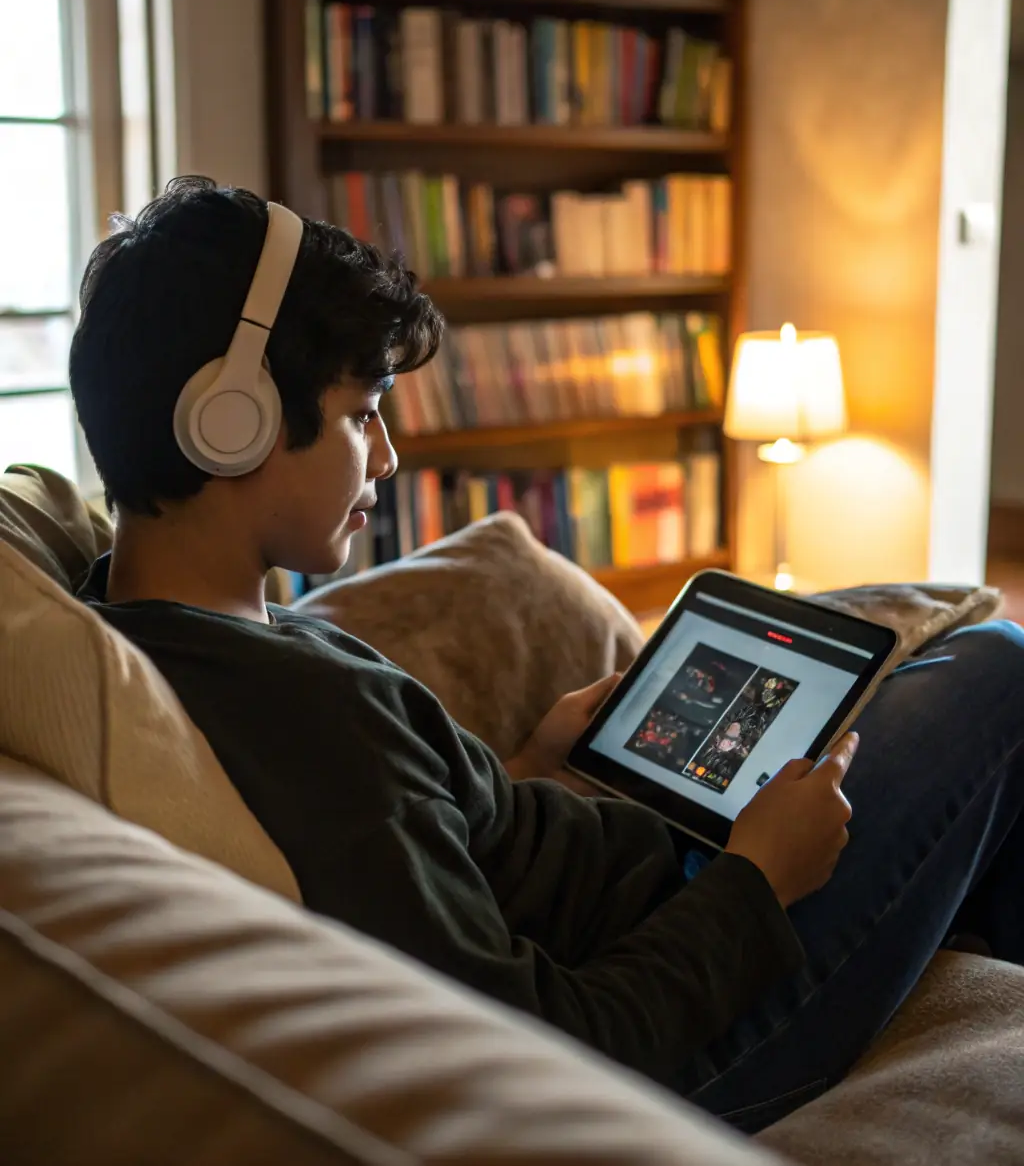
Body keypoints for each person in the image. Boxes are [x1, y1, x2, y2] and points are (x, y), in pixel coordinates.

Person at [69, 177, 1024, 1133]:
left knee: (912, 708)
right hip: (688, 1044)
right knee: (993, 666)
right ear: (230, 420)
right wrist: (759, 878)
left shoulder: (151, 623)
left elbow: (415, 862)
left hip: (658, 893)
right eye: (363, 413)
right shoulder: (302, 723)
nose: (387, 457)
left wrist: (526, 767)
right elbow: (541, 1051)